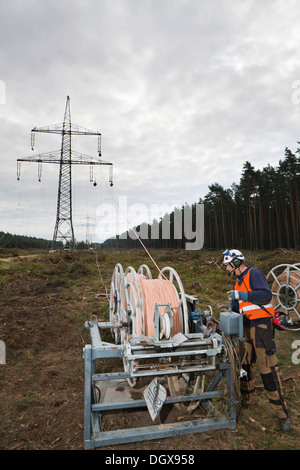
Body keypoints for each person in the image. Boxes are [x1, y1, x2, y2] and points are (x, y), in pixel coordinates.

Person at [222, 248, 291, 432]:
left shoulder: (254, 273)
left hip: (261, 326)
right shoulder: (238, 282)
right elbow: (237, 306)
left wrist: (244, 296)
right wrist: (230, 307)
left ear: (235, 262)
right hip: (245, 326)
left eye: (227, 264)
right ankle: (248, 400)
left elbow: (265, 295)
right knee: (245, 364)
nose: (226, 268)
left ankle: (281, 414)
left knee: (266, 368)